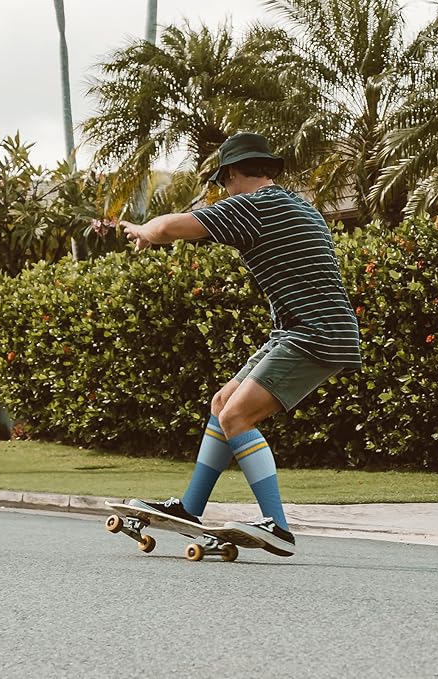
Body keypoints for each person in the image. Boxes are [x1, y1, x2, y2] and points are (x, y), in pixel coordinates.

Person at [120, 132, 361, 556]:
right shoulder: (298, 205)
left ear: (232, 173)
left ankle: (277, 526)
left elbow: (172, 226)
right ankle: (191, 507)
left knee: (237, 417)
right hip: (301, 330)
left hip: (315, 333)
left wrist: (143, 230)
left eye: (222, 182)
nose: (224, 191)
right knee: (222, 403)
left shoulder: (253, 207)